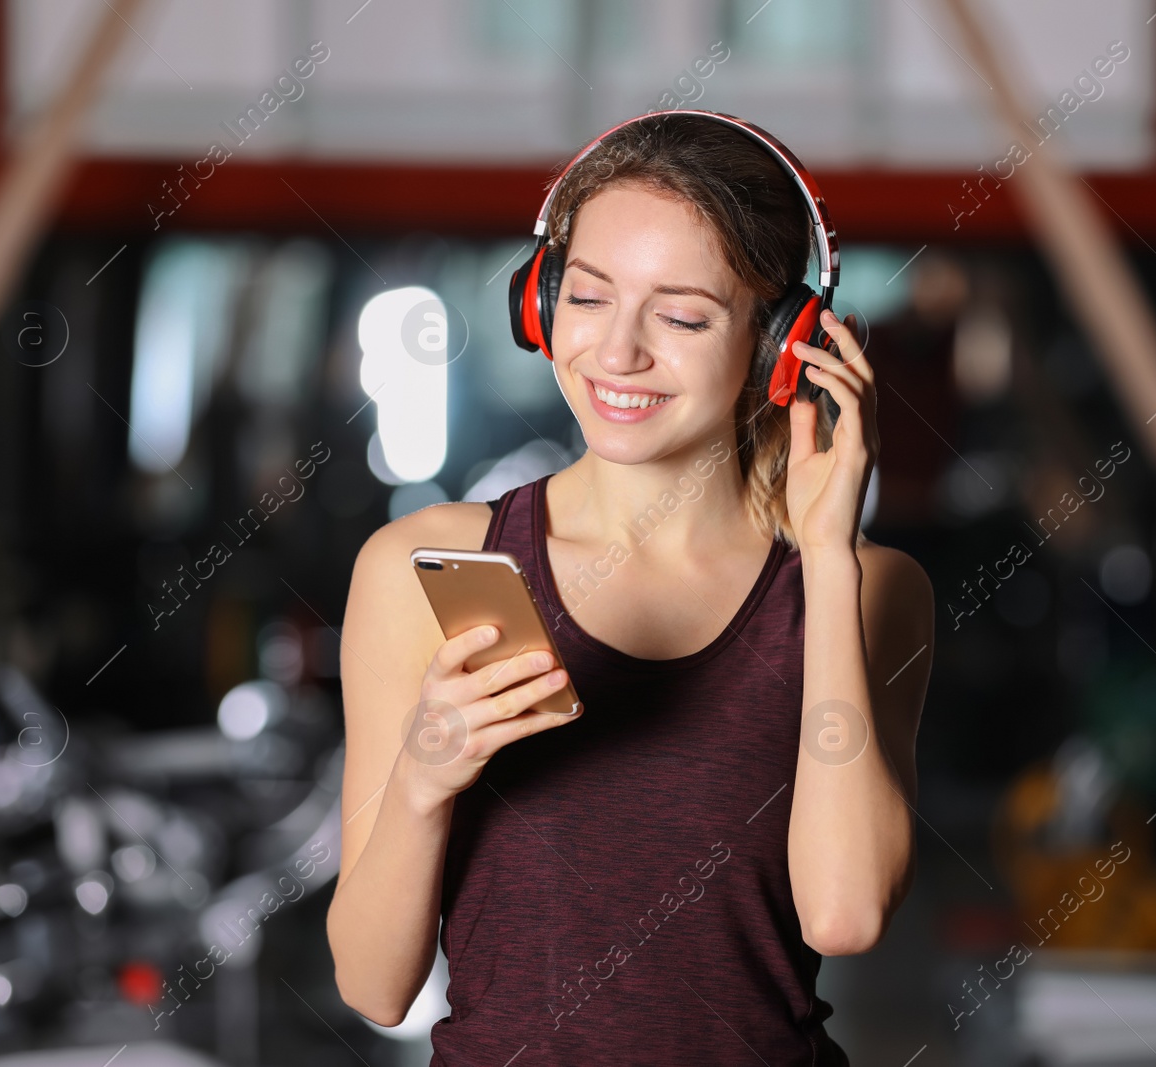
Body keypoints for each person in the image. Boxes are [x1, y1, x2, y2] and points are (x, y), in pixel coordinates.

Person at [328, 113, 934, 1065]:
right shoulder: (417, 567)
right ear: (539, 302)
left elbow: (846, 912)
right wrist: (422, 781)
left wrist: (826, 553)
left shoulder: (861, 589)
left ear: (781, 344)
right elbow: (371, 984)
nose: (616, 354)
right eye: (588, 297)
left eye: (683, 316)